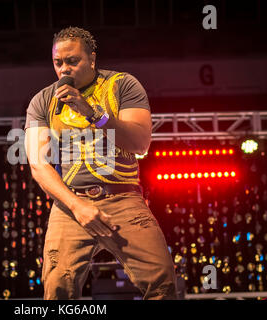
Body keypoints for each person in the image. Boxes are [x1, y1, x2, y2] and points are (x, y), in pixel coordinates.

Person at [24, 27, 177, 300]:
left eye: (73, 61)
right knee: (57, 286)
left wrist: (93, 113)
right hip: (71, 205)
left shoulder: (123, 85)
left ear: (92, 59)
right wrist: (76, 205)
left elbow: (140, 143)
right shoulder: (43, 101)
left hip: (122, 199)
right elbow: (38, 165)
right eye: (58, 63)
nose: (64, 70)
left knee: (162, 281)